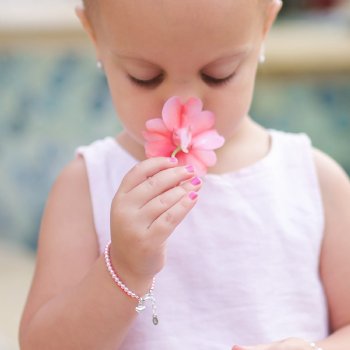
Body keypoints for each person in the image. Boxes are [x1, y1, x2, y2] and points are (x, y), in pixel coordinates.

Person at [19, 0, 350, 349]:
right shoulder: (85, 187)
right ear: (94, 37)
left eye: (218, 73)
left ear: (265, 27)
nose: (182, 102)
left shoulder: (314, 181)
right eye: (144, 77)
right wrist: (122, 269)